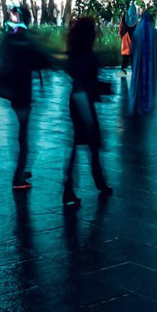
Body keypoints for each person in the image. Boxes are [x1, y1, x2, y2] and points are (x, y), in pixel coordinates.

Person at [62, 15, 111, 205]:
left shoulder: (75, 50)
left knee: (83, 142)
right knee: (91, 141)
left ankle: (92, 183)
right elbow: (88, 77)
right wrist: (101, 87)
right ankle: (91, 183)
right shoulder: (86, 54)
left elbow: (73, 71)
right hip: (83, 99)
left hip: (76, 98)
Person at [0, 8, 40, 190]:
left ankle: (22, 170)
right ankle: (19, 176)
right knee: (23, 136)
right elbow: (39, 59)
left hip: (16, 92)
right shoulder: (24, 38)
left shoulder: (11, 36)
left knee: (22, 134)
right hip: (22, 92)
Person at [129, 6, 157, 116]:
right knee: (148, 82)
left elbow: (132, 48)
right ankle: (148, 103)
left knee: (139, 82)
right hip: (150, 66)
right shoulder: (152, 31)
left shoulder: (139, 30)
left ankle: (138, 104)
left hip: (139, 64)